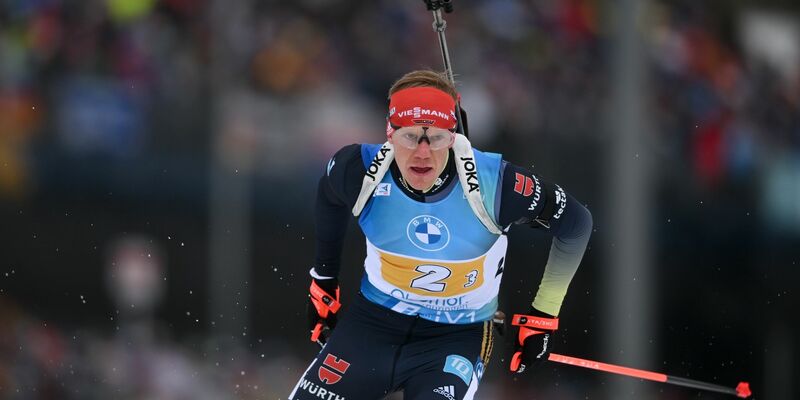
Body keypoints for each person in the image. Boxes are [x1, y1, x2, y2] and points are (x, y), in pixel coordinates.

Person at [289, 70, 593, 400]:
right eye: (409, 137)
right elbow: (329, 195)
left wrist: (543, 315)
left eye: (434, 138)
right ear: (389, 134)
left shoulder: (495, 184)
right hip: (372, 326)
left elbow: (576, 224)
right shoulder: (359, 169)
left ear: (452, 136)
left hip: (455, 337)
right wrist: (324, 280)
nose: (422, 153)